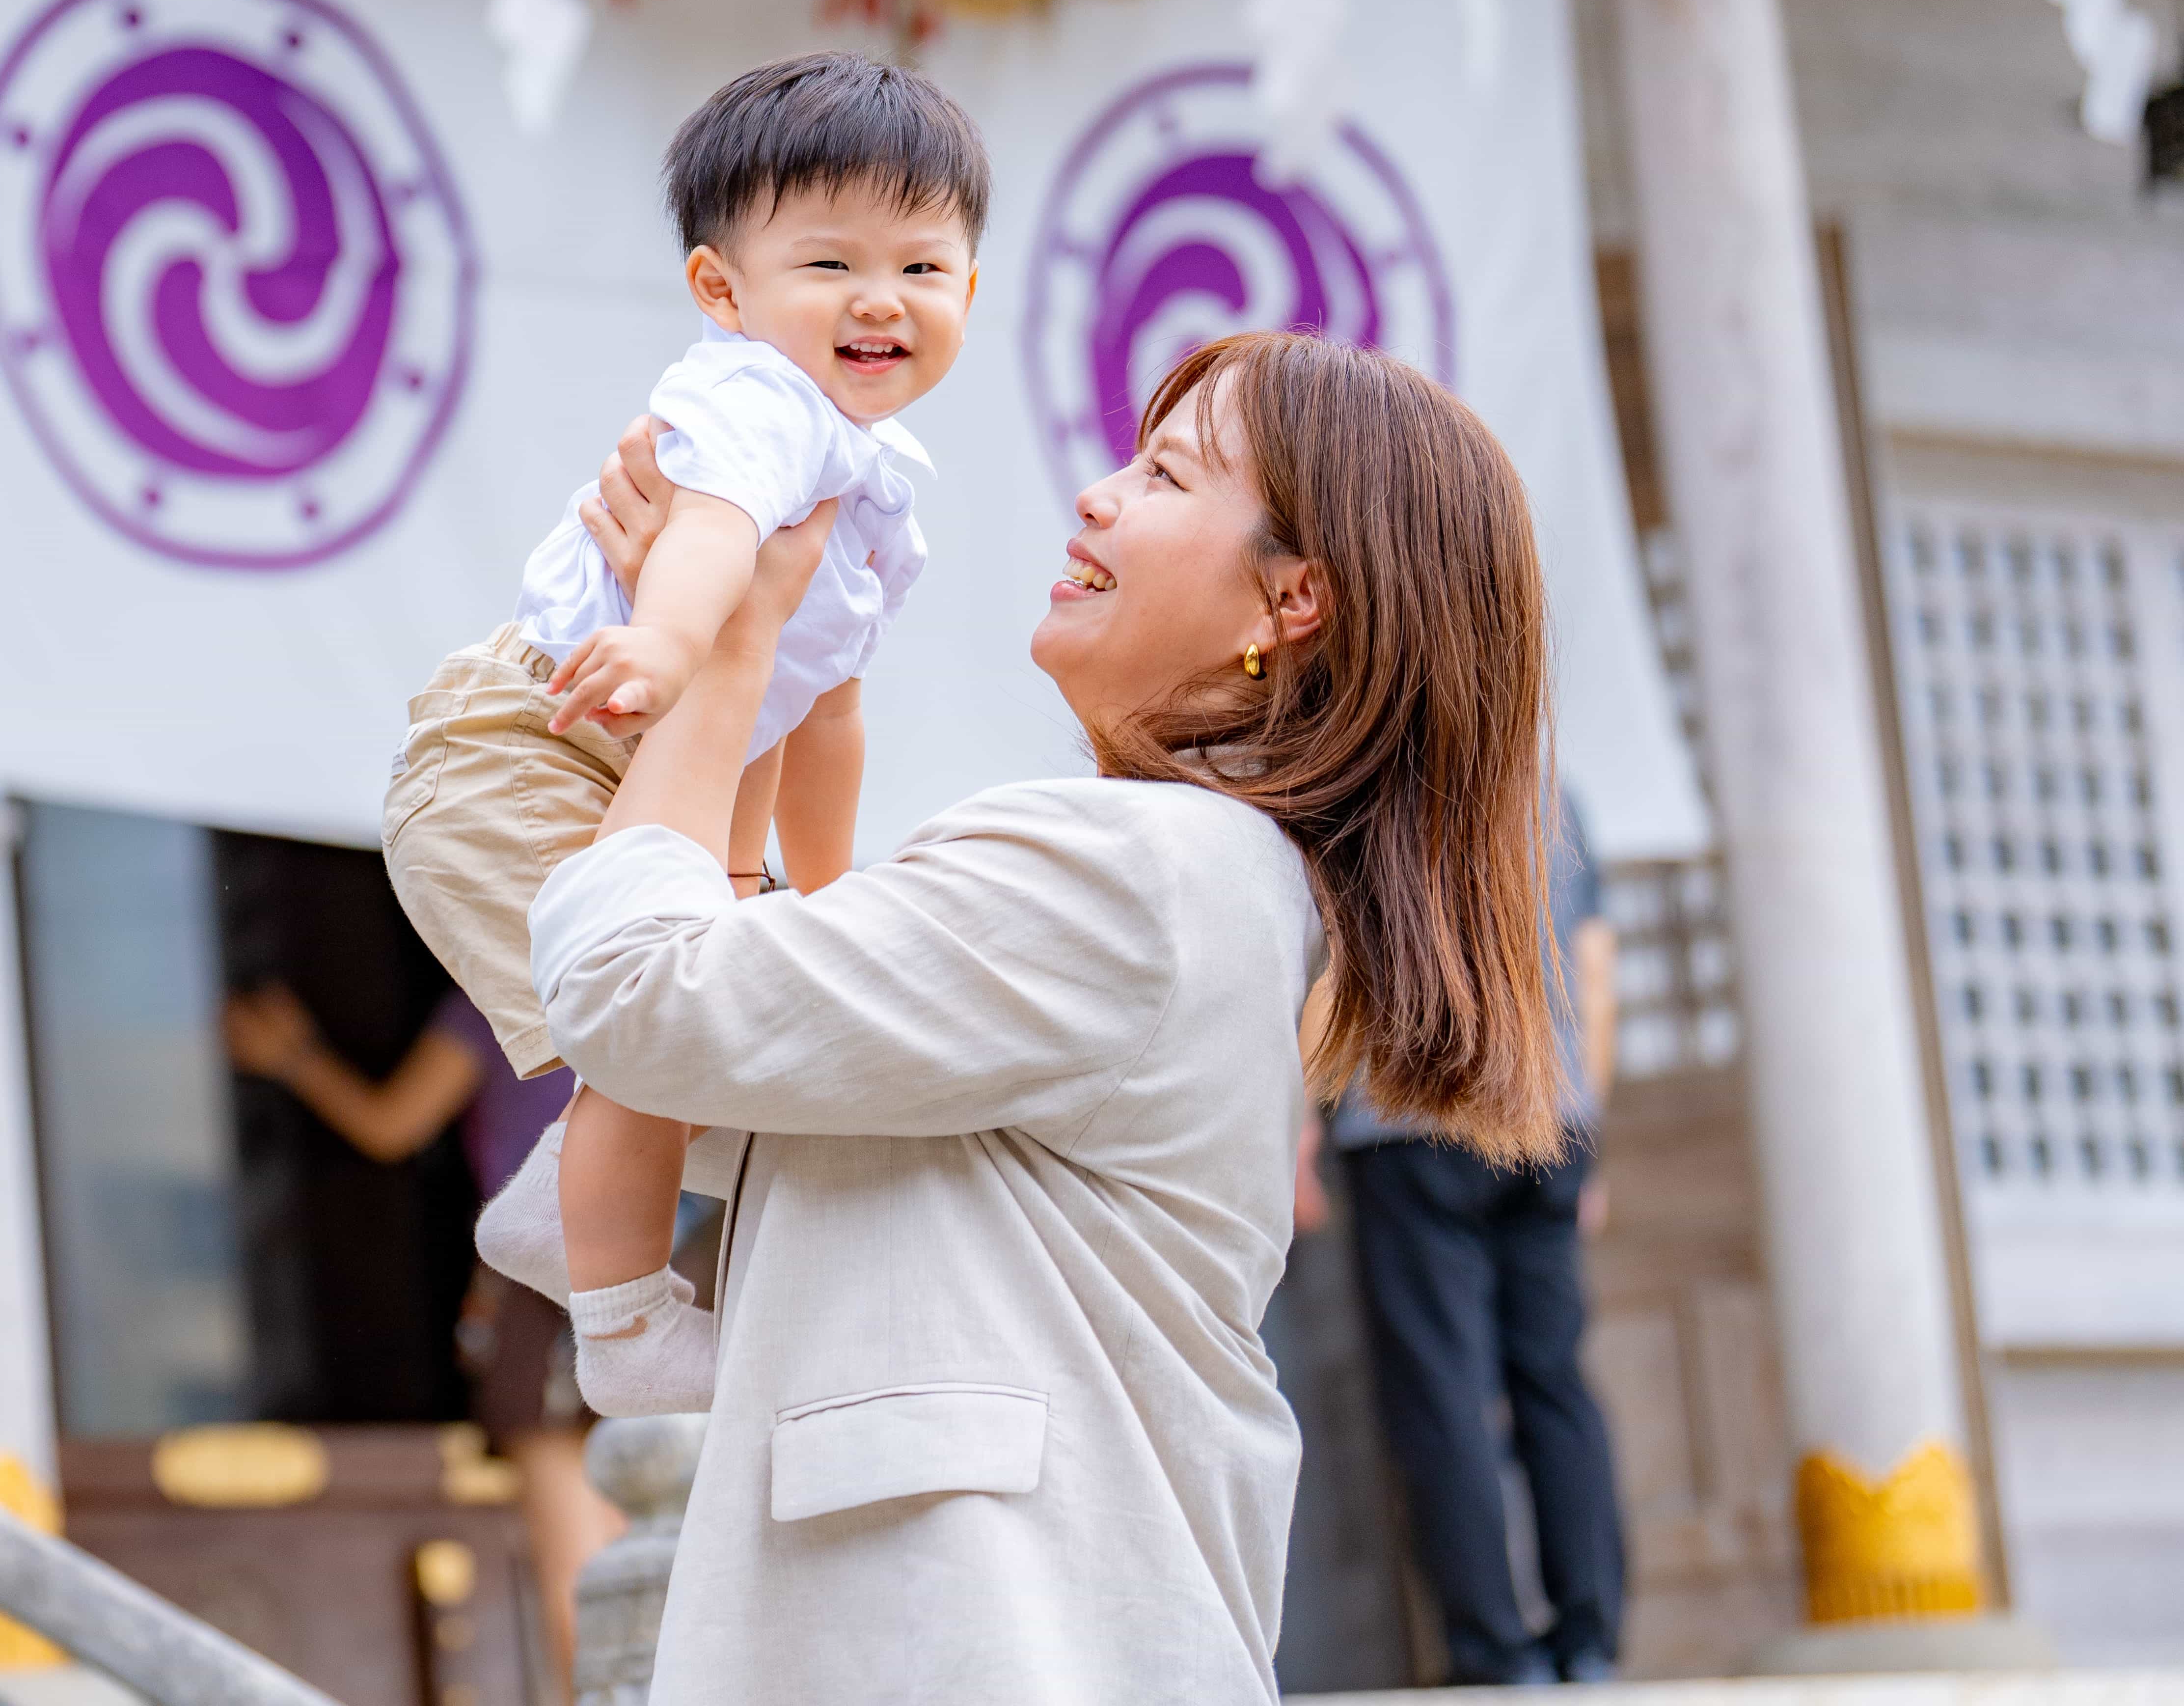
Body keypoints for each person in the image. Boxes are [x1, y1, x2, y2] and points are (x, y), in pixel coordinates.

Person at [526, 329, 1570, 1704]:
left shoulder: (1133, 873)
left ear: (1290, 598)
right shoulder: (1185, 883)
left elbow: (640, 1001)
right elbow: (741, 1068)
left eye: (1166, 476)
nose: (1098, 494)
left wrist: (725, 652)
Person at [380, 53, 986, 1414]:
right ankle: (625, 1323)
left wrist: (819, 901)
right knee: (661, 1023)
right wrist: (664, 637)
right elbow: (710, 538)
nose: (881, 300)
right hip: (530, 746)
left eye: (925, 268)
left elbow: (820, 713)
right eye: (829, 264)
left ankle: (564, 1207)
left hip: (646, 765)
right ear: (725, 292)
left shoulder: (880, 484)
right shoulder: (756, 403)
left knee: (705, 1017)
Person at [218, 979, 620, 1680]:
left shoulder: (501, 986)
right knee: (650, 1529)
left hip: (537, 1280)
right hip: (667, 1264)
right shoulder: (648, 961)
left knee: (576, 1553)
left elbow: (393, 1123)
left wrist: (294, 1057)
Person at [1320, 794, 1627, 1684]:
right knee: (1556, 1377)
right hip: (1550, 1120)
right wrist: (1589, 1132)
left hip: (1410, 1123)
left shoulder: (1369, 780)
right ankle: (1590, 1641)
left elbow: (1336, 973)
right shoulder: (1555, 795)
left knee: (1442, 1388)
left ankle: (1495, 1656)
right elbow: (1597, 971)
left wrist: (1300, 1121)